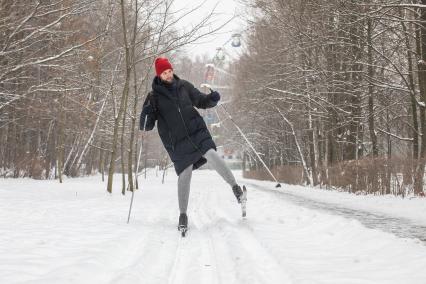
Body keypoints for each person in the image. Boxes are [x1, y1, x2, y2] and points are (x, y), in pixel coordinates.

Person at [139, 57, 246, 231]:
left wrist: (212, 98)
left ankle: (236, 189)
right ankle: (183, 215)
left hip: (197, 133)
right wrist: (146, 111)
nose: (168, 75)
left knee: (212, 155)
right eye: (164, 73)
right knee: (185, 174)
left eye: (169, 71)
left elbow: (201, 101)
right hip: (177, 143)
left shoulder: (184, 86)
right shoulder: (154, 97)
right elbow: (147, 125)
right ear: (159, 75)